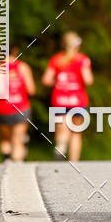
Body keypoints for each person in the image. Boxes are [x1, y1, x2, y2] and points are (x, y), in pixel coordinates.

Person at [42, 32, 93, 161]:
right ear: (77, 45)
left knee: (62, 130)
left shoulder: (56, 60)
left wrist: (57, 82)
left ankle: (61, 146)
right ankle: (74, 163)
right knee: (76, 134)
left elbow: (46, 80)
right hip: (78, 101)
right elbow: (88, 80)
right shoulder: (82, 60)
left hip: (60, 100)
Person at [0, 45, 35, 162]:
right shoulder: (23, 67)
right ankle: (17, 165)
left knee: (5, 140)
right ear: (15, 50)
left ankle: (7, 161)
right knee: (18, 140)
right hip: (20, 107)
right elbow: (31, 90)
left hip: (3, 109)